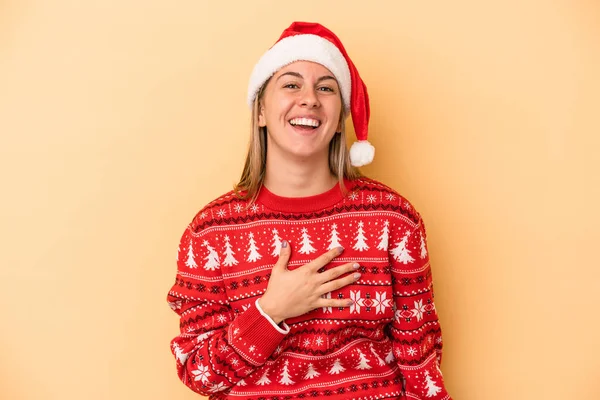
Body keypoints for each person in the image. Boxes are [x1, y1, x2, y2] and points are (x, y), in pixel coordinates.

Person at [166, 22, 452, 400]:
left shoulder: (393, 219)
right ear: (262, 112)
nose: (309, 99)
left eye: (326, 88)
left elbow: (420, 363)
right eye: (290, 84)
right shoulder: (210, 233)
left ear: (339, 119)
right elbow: (199, 373)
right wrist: (270, 311)